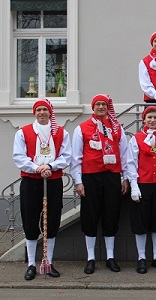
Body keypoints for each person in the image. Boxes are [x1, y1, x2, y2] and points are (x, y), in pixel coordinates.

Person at [70, 94, 129, 274]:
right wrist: (78, 181)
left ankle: (110, 257)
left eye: (104, 104)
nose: (101, 107)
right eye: (98, 104)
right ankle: (91, 258)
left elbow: (125, 154)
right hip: (90, 177)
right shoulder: (82, 129)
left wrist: (125, 177)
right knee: (90, 216)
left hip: (111, 177)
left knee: (111, 215)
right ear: (93, 107)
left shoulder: (117, 128)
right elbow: (76, 157)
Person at [13, 98, 71, 280]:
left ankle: (48, 261)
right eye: (38, 110)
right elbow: (19, 156)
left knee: (52, 220)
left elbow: (66, 156)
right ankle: (31, 263)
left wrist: (51, 166)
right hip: (31, 180)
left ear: (50, 112)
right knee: (30, 220)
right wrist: (36, 168)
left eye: (45, 110)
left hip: (53, 181)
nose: (42, 113)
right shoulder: (23, 132)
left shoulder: (61, 132)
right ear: (34, 112)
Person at [127, 106, 156, 274]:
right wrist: (133, 185)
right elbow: (131, 163)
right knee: (141, 222)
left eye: (155, 117)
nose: (152, 120)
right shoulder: (137, 139)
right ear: (144, 119)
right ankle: (141, 257)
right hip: (143, 184)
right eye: (149, 117)